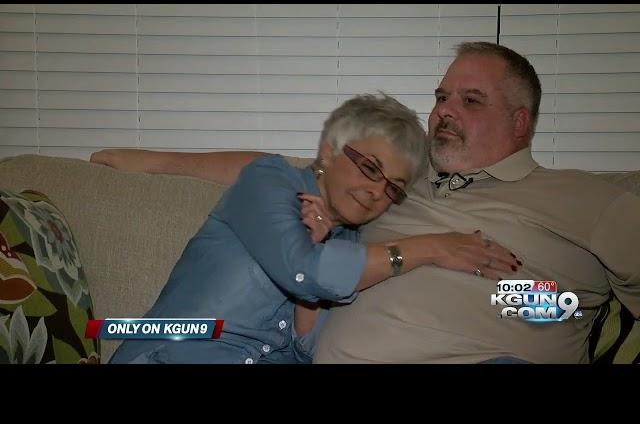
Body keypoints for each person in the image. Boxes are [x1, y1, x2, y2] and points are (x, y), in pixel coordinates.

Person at [94, 42, 640, 364]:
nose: (445, 111)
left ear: (520, 122)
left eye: (470, 100)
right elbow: (281, 173)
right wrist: (153, 162)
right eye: (441, 97)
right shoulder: (392, 186)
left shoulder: (591, 201)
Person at [107, 93, 517, 364]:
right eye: (371, 168)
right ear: (328, 151)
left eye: (392, 187)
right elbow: (301, 271)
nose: (377, 192)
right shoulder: (269, 182)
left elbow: (306, 349)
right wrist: (429, 248)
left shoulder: (348, 244)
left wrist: (319, 266)